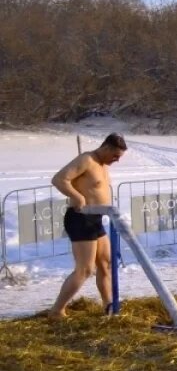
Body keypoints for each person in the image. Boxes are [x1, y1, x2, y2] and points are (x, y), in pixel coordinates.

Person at [48, 133, 127, 318]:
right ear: (106, 147)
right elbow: (59, 179)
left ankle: (109, 305)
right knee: (85, 269)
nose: (116, 161)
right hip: (80, 218)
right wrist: (78, 197)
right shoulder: (86, 159)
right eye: (115, 156)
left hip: (96, 219)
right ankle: (57, 310)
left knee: (106, 263)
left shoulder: (102, 164)